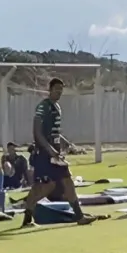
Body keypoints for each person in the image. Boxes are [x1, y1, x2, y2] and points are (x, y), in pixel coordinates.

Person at [20, 78, 95, 227]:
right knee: (44, 187)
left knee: (67, 181)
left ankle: (79, 216)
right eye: (56, 89)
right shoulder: (43, 106)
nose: (59, 92)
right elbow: (37, 132)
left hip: (55, 155)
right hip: (44, 154)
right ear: (50, 89)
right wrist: (50, 150)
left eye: (61, 89)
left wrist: (66, 143)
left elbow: (54, 132)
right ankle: (27, 217)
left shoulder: (57, 107)